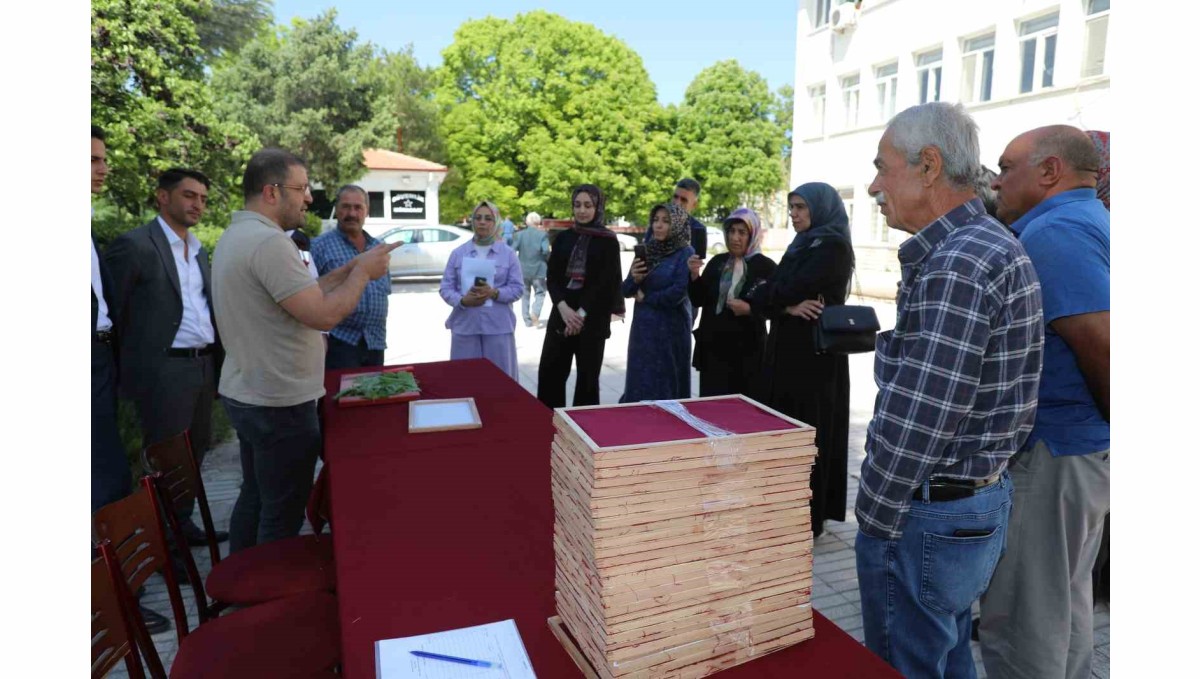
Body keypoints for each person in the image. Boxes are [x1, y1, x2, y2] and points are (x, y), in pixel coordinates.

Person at [854, 102, 1044, 679]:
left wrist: (875, 517)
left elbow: (923, 418)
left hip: (928, 514)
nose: (874, 186)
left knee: (909, 663)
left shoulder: (958, 261)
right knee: (949, 652)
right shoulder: (984, 244)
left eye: (882, 167)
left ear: (929, 165)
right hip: (966, 505)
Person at [213, 148, 396, 552]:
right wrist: (363, 274)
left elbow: (305, 293)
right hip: (280, 402)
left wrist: (352, 267)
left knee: (256, 496)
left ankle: (241, 573)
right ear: (272, 191)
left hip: (253, 392)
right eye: (301, 188)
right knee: (281, 512)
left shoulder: (239, 235)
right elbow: (323, 314)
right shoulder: (269, 243)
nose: (309, 198)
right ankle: (268, 587)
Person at [978, 125, 1110, 679]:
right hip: (1073, 452)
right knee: (1062, 605)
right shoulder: (1082, 220)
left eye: (1007, 168)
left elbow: (1103, 346)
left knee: (1022, 623)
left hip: (1054, 454)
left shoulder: (1055, 232)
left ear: (1050, 171)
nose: (997, 181)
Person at [103, 167, 229, 546]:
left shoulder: (199, 250)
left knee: (194, 452)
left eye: (203, 199)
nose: (198, 205)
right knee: (165, 460)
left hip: (202, 364)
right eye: (189, 196)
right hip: (163, 370)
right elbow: (111, 311)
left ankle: (182, 527)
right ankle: (163, 547)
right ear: (162, 196)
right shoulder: (135, 245)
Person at [90, 125, 174, 634]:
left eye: (102, 158)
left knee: (108, 480)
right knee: (101, 482)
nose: (102, 168)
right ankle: (112, 603)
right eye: (90, 159)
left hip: (101, 360)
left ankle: (117, 592)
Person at [747, 182, 854, 540]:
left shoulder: (833, 246)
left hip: (815, 360)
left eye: (800, 207)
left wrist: (777, 298)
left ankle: (810, 517)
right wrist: (787, 307)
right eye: (791, 207)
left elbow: (779, 288)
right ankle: (783, 509)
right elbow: (764, 295)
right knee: (786, 430)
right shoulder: (803, 244)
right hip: (786, 354)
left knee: (811, 433)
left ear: (820, 208)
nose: (793, 214)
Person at [537, 184, 624, 408]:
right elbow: (552, 277)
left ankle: (582, 428)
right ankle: (548, 425)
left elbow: (605, 284)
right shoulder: (563, 238)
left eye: (588, 205)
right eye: (577, 205)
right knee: (549, 377)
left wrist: (580, 315)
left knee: (587, 383)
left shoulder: (608, 241)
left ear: (598, 207)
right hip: (562, 315)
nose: (582, 210)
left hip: (592, 320)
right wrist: (564, 309)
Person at [688, 206, 776, 397]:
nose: (735, 238)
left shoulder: (765, 267)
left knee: (745, 408)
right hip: (714, 353)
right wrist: (694, 275)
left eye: (742, 232)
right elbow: (698, 299)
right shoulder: (717, 262)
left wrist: (750, 309)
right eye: (732, 231)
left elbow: (775, 306)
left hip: (748, 355)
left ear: (752, 235)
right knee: (712, 407)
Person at [439, 201, 525, 379]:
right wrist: (462, 300)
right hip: (465, 326)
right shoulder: (458, 253)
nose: (482, 222)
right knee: (465, 380)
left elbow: (517, 288)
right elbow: (446, 288)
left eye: (488, 218)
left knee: (499, 381)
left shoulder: (508, 254)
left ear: (496, 222)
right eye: (478, 218)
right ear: (472, 221)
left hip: (498, 327)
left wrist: (494, 293)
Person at [620, 203, 694, 402]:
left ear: (677, 225)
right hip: (643, 331)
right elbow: (626, 290)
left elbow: (678, 292)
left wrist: (647, 298)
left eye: (666, 221)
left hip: (670, 331)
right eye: (655, 220)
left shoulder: (685, 253)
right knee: (640, 383)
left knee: (667, 387)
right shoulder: (648, 249)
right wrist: (634, 279)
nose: (658, 225)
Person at [310, 185, 391, 369]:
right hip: (338, 343)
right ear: (336, 209)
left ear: (367, 211)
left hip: (375, 342)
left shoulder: (379, 248)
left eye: (358, 207)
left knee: (375, 388)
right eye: (346, 207)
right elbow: (310, 295)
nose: (352, 213)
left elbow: (385, 291)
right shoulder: (318, 247)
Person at [511, 211, 550, 328]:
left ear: (527, 222)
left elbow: (512, 250)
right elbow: (545, 251)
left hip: (523, 270)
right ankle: (535, 313)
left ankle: (527, 320)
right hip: (539, 270)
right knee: (540, 293)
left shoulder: (519, 235)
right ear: (538, 222)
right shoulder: (543, 235)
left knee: (525, 295)